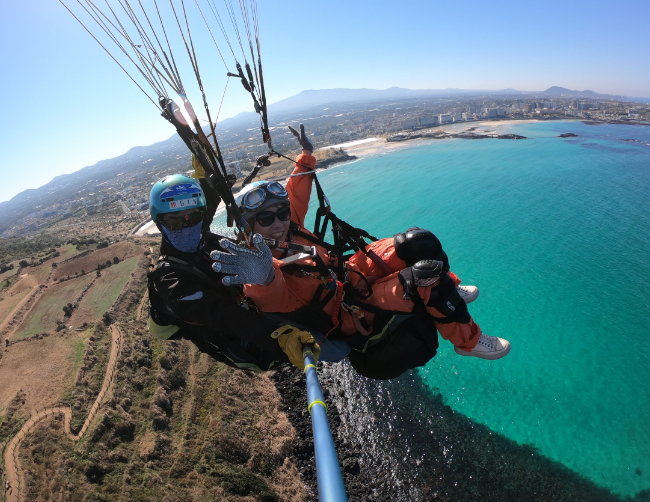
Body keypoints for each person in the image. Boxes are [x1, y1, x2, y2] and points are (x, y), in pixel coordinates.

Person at [210, 125, 510, 379]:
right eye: (265, 219)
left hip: (350, 271)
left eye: (281, 213)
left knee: (418, 241)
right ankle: (468, 341)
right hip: (349, 311)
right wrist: (262, 277)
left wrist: (306, 155)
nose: (277, 223)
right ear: (250, 228)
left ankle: (451, 289)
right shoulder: (261, 268)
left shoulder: (290, 227)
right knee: (425, 278)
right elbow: (270, 291)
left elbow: (296, 191)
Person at [145, 173, 321, 371]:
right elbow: (220, 314)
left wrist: (208, 181)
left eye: (192, 218)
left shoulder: (204, 237)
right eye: (175, 223)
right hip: (243, 344)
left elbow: (205, 209)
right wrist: (278, 336)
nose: (187, 227)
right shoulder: (169, 282)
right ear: (159, 224)